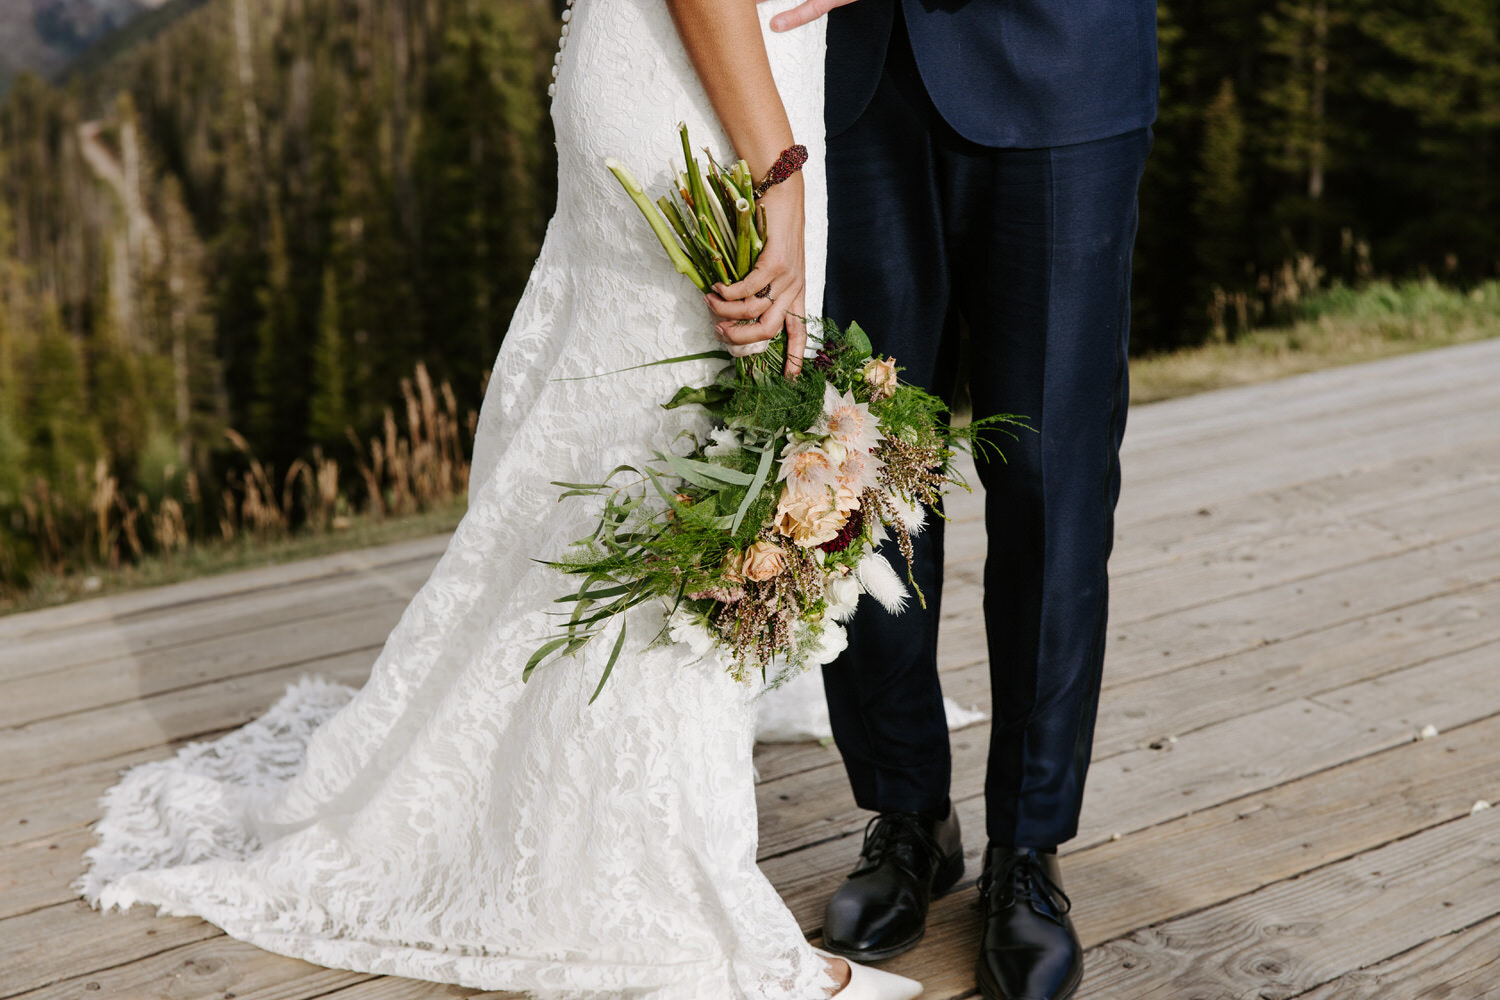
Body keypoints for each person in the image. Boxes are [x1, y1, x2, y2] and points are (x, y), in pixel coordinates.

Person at [75, 1, 919, 997]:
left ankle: (578, 805)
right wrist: (777, 172)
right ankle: (667, 891)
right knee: (681, 470)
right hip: (716, 95)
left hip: (700, 76)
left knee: (638, 459)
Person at [748, 1, 1159, 998]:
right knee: (856, 462)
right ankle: (906, 815)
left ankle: (1030, 846)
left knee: (1053, 485)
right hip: (852, 77)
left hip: (1065, 68)